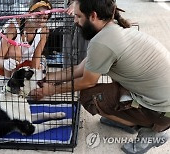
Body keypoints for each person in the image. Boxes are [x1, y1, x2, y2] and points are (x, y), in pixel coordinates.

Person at [31, 0, 170, 153]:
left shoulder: (101, 42)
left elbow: (87, 82)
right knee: (114, 80)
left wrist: (50, 91)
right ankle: (130, 118)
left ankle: (150, 131)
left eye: (78, 16)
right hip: (161, 102)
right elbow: (79, 69)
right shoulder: (112, 29)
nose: (75, 21)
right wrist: (47, 78)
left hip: (162, 112)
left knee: (89, 97)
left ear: (93, 16)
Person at [0, 0, 52, 78]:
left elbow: (37, 56)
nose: (41, 21)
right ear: (29, 13)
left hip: (26, 63)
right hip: (2, 66)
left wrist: (34, 76)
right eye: (38, 16)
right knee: (15, 51)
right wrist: (5, 63)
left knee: (40, 68)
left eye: (45, 18)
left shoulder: (44, 30)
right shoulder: (12, 27)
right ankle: (9, 84)